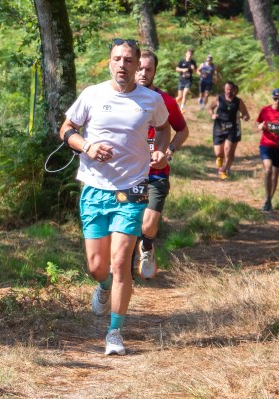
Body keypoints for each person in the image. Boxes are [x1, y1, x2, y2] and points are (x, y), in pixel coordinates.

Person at [59, 38, 170, 356]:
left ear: (137, 66)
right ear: (109, 62)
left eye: (128, 60)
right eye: (117, 59)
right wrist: (87, 146)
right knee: (98, 266)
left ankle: (115, 333)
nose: (122, 65)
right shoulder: (92, 94)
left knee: (121, 262)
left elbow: (164, 128)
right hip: (95, 189)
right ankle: (103, 285)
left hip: (133, 189)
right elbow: (66, 128)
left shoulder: (150, 100)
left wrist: (161, 151)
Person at [135, 49, 189, 279]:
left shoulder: (165, 101)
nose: (143, 73)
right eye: (139, 68)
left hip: (157, 172)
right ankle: (123, 269)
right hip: (128, 172)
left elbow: (182, 130)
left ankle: (147, 246)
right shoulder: (122, 99)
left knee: (147, 224)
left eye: (148, 69)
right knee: (129, 222)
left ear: (155, 72)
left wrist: (169, 150)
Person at [207, 81, 249, 180]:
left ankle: (224, 170)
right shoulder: (219, 98)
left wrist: (245, 117)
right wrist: (212, 114)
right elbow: (210, 108)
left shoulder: (238, 101)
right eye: (227, 89)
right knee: (218, 153)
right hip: (219, 127)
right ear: (224, 89)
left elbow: (246, 114)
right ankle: (221, 162)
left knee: (228, 149)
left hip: (232, 128)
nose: (228, 91)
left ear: (234, 89)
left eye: (230, 89)